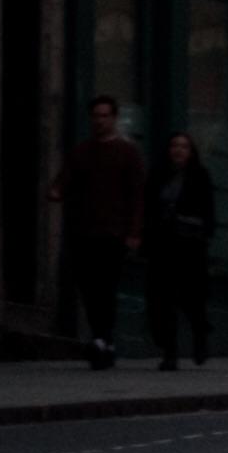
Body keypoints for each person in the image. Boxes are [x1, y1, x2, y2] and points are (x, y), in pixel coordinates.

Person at [53, 93, 143, 369]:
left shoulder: (128, 153)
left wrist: (134, 232)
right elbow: (64, 179)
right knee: (88, 287)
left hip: (113, 232)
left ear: (114, 118)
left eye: (105, 116)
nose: (100, 121)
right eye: (96, 116)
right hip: (84, 231)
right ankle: (101, 337)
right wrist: (56, 191)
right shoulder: (82, 152)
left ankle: (103, 338)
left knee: (106, 286)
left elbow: (137, 195)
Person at [144, 128, 222, 369]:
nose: (178, 150)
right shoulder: (158, 176)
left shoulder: (200, 176)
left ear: (191, 152)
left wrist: (204, 235)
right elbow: (148, 208)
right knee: (163, 301)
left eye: (184, 146)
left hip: (190, 248)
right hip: (163, 248)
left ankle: (199, 336)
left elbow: (208, 212)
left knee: (192, 300)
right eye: (174, 145)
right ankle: (170, 353)